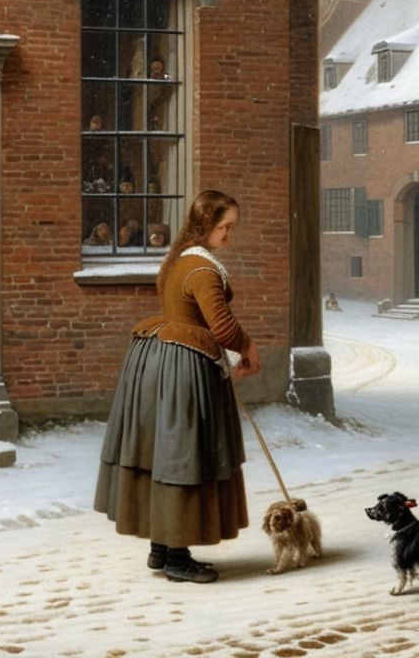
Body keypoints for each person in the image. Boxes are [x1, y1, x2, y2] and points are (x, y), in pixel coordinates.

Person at [95, 190, 260, 583]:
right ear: (205, 225)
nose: (228, 235)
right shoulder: (202, 269)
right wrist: (249, 346)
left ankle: (162, 547)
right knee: (185, 457)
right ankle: (177, 558)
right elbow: (220, 327)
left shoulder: (179, 261)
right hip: (186, 370)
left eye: (231, 227)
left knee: (165, 455)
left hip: (161, 363)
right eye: (224, 227)